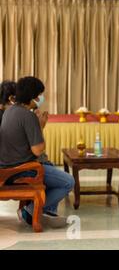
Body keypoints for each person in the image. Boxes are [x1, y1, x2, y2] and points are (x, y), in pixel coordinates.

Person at [0, 76, 74, 228]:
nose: (41, 98)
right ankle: (30, 211)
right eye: (39, 95)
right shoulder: (28, 116)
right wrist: (40, 125)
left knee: (51, 169)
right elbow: (38, 149)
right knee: (68, 182)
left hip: (7, 167)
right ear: (33, 96)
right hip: (23, 170)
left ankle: (46, 212)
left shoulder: (9, 111)